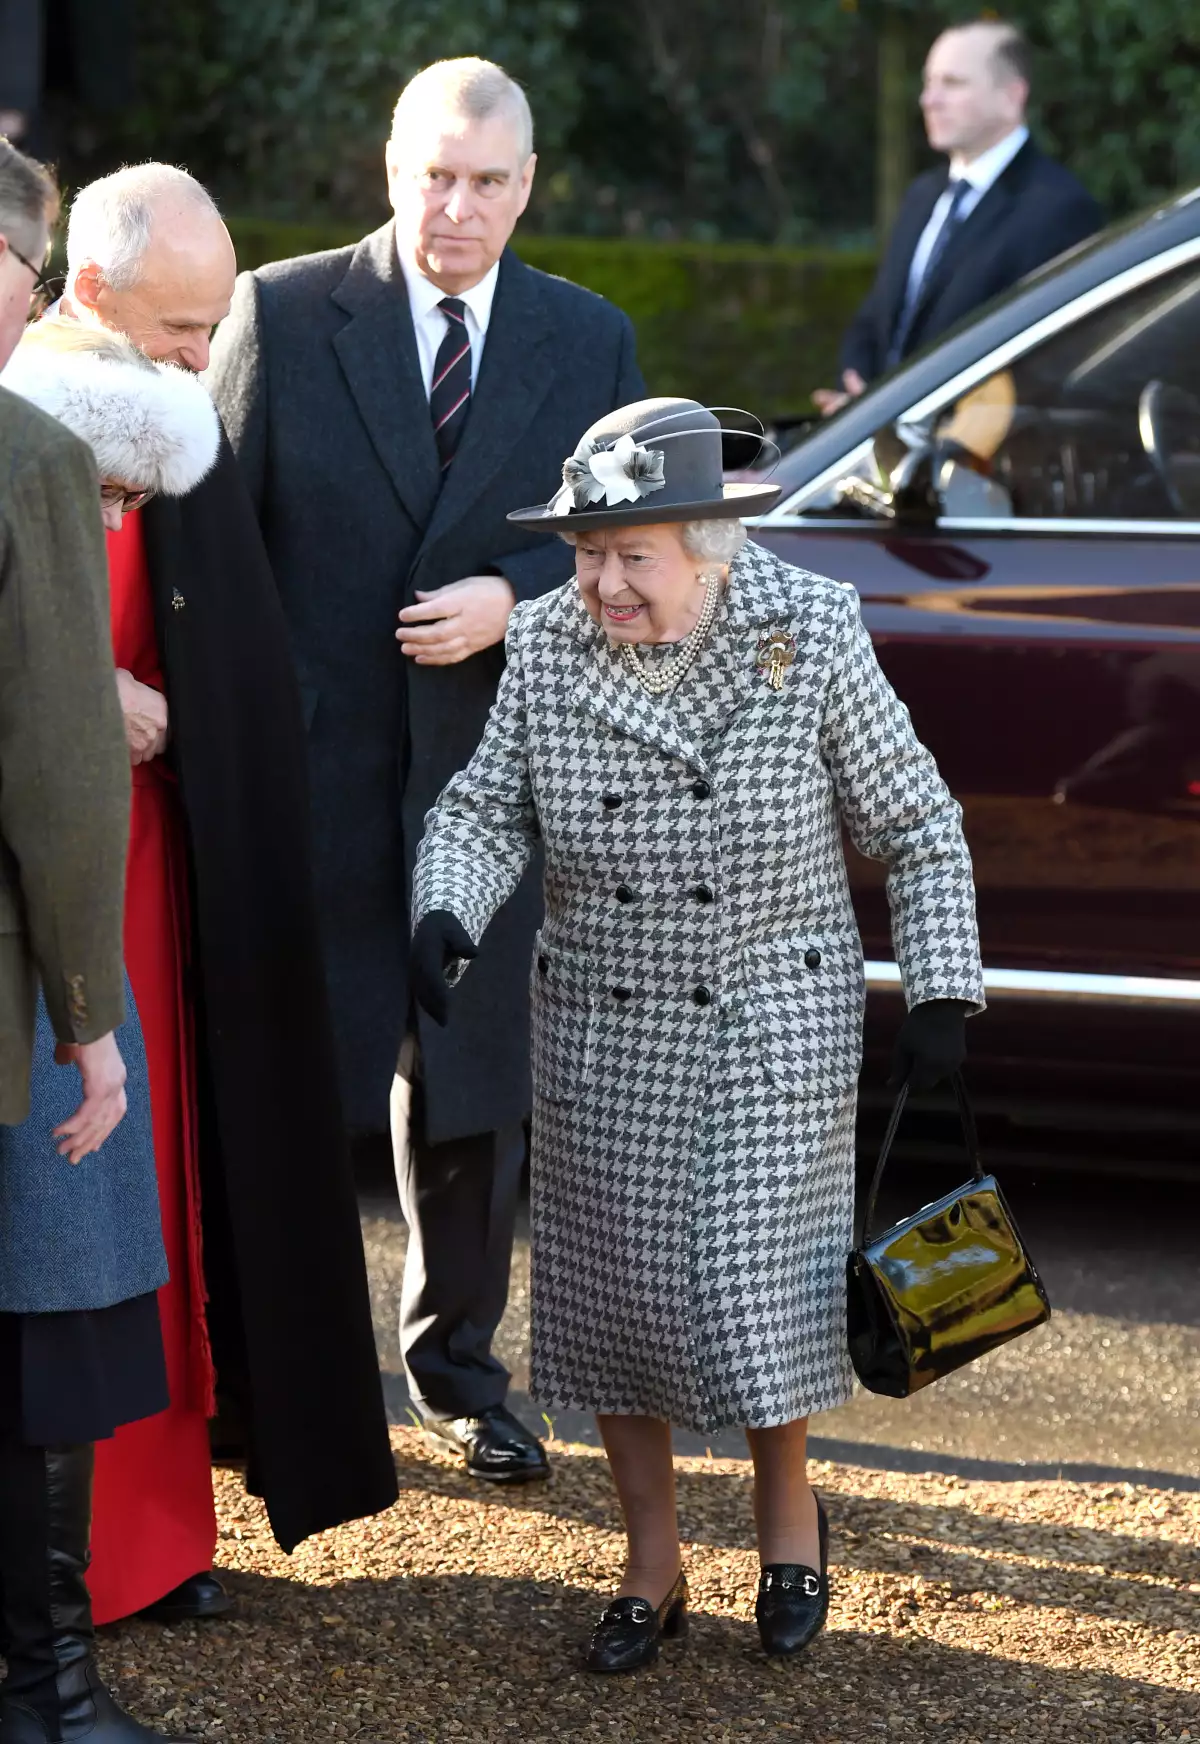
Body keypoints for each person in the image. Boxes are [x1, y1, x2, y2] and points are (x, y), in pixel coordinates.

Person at [409, 397, 985, 1669]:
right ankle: (651, 1558)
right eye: (585, 552)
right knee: (615, 1302)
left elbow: (917, 823)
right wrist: (447, 904)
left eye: (633, 556)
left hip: (769, 1012)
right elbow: (484, 808)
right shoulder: (552, 642)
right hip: (603, 1017)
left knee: (748, 1286)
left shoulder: (811, 627)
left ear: (707, 547)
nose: (603, 583)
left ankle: (789, 1519)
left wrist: (940, 988)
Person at [206, 57, 645, 1485]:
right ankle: (268, 1389)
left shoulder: (589, 342)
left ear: (530, 186)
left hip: (490, 783)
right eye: (435, 177)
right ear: (392, 171)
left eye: (489, 182)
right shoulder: (277, 310)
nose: (458, 209)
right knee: (285, 1091)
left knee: (470, 1096)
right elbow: (210, 550)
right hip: (308, 778)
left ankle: (460, 1374)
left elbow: (633, 558)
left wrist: (517, 601)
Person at [53, 163, 397, 1623]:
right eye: (184, 328)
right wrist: (96, 703)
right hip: (67, 871)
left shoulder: (170, 413)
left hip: (167, 862)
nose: (207, 359)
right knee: (79, 1195)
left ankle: (163, 1532)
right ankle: (75, 1553)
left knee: (178, 1187)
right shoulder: (37, 420)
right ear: (89, 297)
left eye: (214, 327)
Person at [0, 140, 183, 1744]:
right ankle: (47, 1695)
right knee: (54, 1305)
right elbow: (58, 775)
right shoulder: (24, 460)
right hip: (11, 987)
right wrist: (87, 1015)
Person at [815, 20, 1101, 413]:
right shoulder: (921, 195)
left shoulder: (1058, 209)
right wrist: (856, 390)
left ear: (1011, 97)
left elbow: (1043, 364)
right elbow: (877, 318)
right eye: (928, 82)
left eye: (952, 83)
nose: (929, 99)